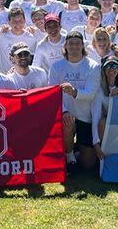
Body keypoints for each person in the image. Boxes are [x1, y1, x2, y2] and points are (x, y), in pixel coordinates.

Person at [49, 31, 100, 172]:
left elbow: (90, 94)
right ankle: (70, 159)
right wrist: (64, 111)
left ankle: (76, 150)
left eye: (78, 43)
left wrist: (74, 92)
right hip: (67, 115)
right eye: (70, 43)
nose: (74, 46)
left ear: (83, 46)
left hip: (86, 116)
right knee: (67, 123)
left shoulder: (93, 66)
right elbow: (54, 95)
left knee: (89, 164)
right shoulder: (56, 67)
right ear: (65, 46)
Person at [91, 57, 118, 159]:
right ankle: (105, 155)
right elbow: (95, 117)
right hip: (110, 124)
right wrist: (95, 143)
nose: (112, 69)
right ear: (103, 69)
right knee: (102, 122)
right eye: (108, 66)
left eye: (115, 65)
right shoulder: (99, 89)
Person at [0, 7, 37, 73]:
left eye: (20, 21)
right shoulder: (1, 35)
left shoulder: (31, 38)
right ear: (9, 22)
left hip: (24, 77)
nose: (17, 24)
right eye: (14, 21)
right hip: (5, 76)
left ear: (25, 21)